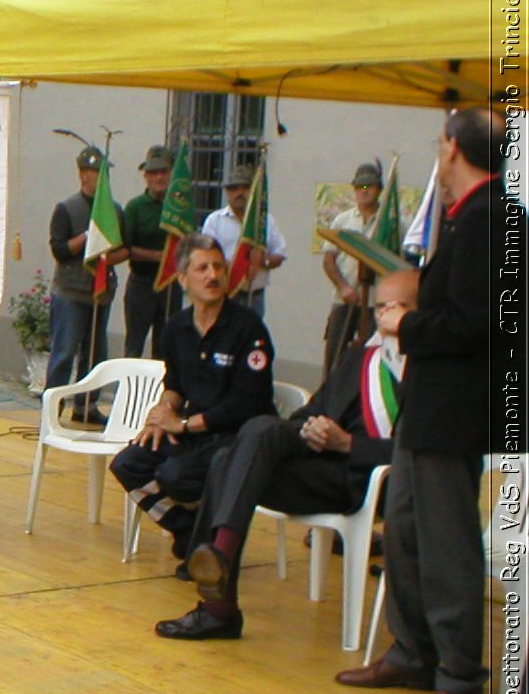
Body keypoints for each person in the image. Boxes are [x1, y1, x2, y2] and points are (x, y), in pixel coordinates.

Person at [337, 107, 522, 694]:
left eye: (440, 143)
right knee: (408, 530)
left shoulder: (490, 218)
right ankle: (413, 650)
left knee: (446, 545)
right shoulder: (466, 216)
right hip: (429, 407)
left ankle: (459, 675)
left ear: (451, 148)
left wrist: (403, 323)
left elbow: (480, 322)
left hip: (454, 410)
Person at [155, 268, 417, 640]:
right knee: (244, 443)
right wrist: (311, 430)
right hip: (321, 469)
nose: (386, 316)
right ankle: (221, 571)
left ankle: (218, 589)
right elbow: (310, 412)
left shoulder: (432, 372)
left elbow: (421, 454)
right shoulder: (363, 356)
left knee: (227, 461)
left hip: (371, 483)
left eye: (399, 307)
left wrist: (347, 444)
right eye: (380, 307)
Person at [109, 234, 276, 570]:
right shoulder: (176, 327)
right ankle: (190, 536)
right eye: (202, 268)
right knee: (128, 464)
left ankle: (207, 545)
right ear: (183, 278)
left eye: (218, 267)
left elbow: (248, 403)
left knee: (176, 475)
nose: (213, 275)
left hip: (236, 436)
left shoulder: (247, 327)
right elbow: (175, 385)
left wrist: (183, 424)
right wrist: (162, 412)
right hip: (193, 429)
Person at [46, 145, 126, 408]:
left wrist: (102, 258)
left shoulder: (113, 210)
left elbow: (125, 248)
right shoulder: (66, 208)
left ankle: (86, 407)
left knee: (94, 355)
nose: (95, 177)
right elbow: (59, 249)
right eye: (91, 172)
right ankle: (52, 408)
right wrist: (86, 240)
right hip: (70, 290)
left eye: (100, 172)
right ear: (82, 174)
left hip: (100, 291)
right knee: (64, 353)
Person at [321, 162, 383, 381]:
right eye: (359, 187)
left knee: (371, 361)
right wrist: (344, 287)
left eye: (369, 187)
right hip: (345, 300)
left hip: (376, 303)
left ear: (379, 189)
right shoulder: (343, 220)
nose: (364, 192)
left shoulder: (392, 222)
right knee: (334, 357)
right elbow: (329, 261)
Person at [200, 163, 287, 317]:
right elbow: (205, 256)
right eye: (234, 188)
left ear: (253, 191)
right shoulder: (215, 221)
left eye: (245, 188)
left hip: (254, 297)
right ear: (227, 192)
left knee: (252, 340)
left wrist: (263, 262)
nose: (239, 193)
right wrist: (234, 267)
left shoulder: (265, 221)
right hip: (224, 294)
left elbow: (279, 254)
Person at [121, 144, 181, 359]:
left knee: (166, 347)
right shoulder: (135, 207)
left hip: (170, 284)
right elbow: (125, 248)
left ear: (172, 173)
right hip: (142, 282)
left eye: (163, 172)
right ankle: (131, 390)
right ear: (145, 176)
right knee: (134, 346)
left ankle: (161, 392)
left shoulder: (179, 206)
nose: (159, 177)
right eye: (154, 173)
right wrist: (157, 256)